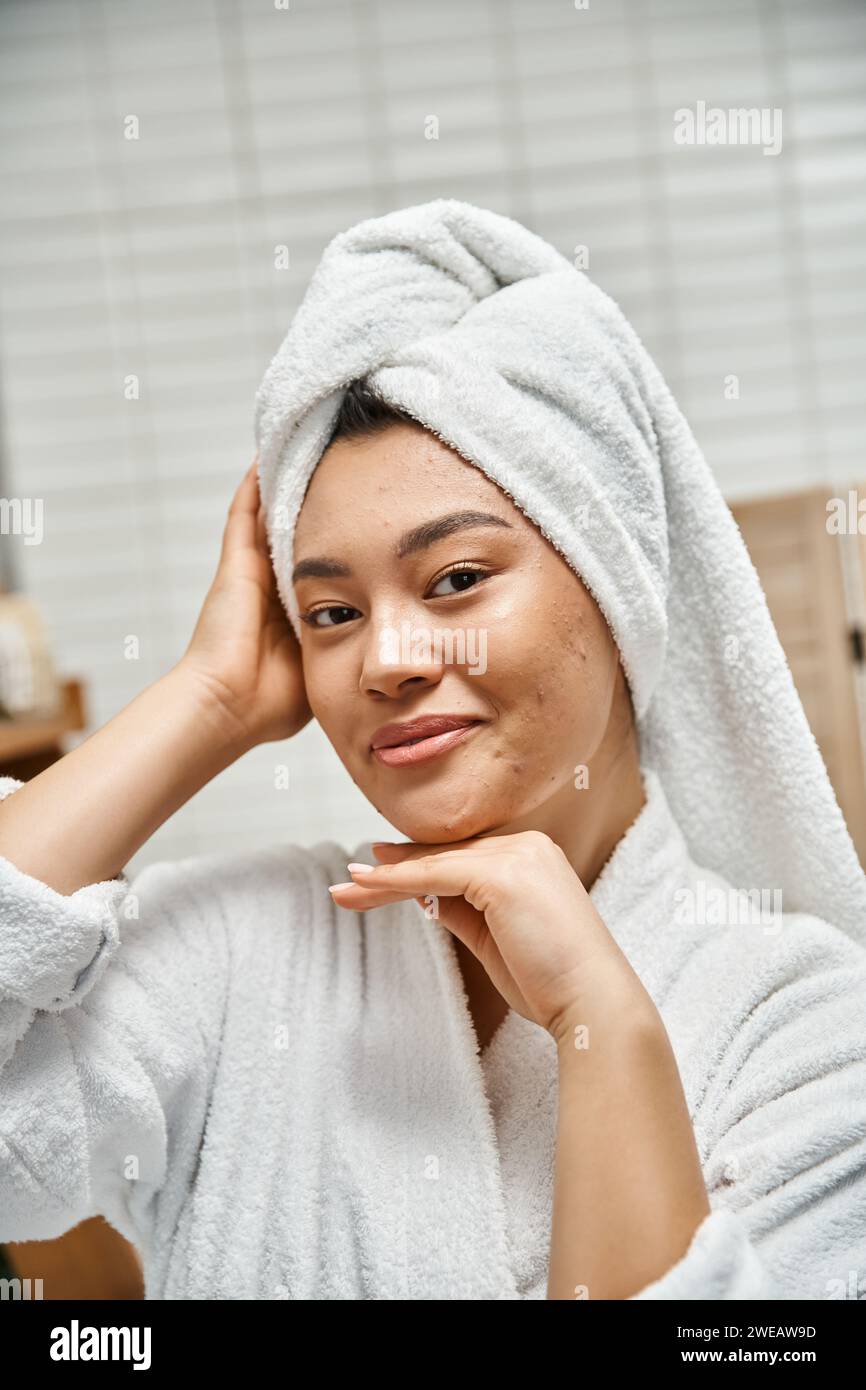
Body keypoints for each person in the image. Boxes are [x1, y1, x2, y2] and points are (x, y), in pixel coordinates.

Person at [1, 201, 865, 1301]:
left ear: (614, 582)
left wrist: (601, 1024)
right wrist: (207, 697)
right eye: (329, 612)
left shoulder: (809, 1024)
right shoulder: (234, 952)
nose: (387, 660)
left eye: (455, 578)